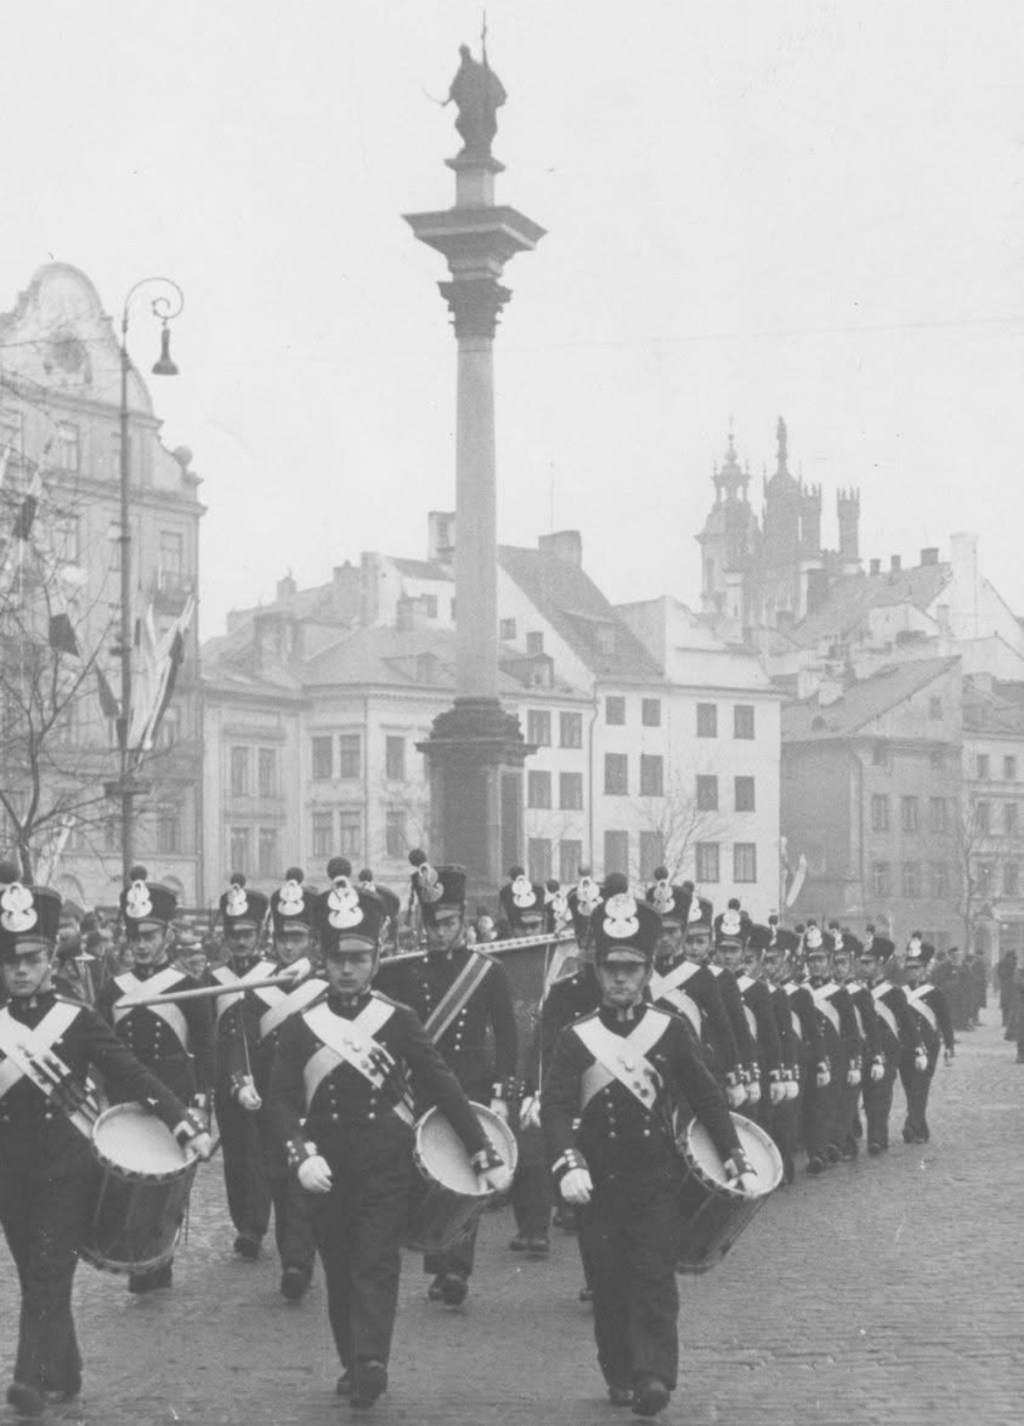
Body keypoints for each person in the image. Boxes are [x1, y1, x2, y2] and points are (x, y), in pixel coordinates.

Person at [267, 884, 511, 1410]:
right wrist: (301, 1153)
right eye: (338, 959)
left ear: (376, 961)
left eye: (358, 959)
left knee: (375, 1262)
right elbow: (281, 1100)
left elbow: (442, 1084)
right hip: (327, 1167)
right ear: (324, 961)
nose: (347, 970)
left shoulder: (397, 1019)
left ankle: (372, 1359)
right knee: (339, 1266)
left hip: (386, 1164)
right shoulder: (301, 1026)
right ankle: (353, 1359)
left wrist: (481, 1150)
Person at [542, 874, 756, 1418]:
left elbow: (706, 1096)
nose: (621, 978)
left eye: (632, 968)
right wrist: (567, 1160)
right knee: (609, 1282)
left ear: (645, 972)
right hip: (597, 1181)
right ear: (598, 971)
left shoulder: (670, 1029)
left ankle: (654, 1374)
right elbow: (556, 1107)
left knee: (654, 1278)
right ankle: (620, 1371)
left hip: (655, 1177)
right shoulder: (575, 1037)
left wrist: (732, 1152)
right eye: (612, 968)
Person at [0, 880, 213, 1416]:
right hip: (10, 1168)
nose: (20, 970)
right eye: (10, 961)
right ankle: (65, 1370)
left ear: (50, 959)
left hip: (66, 1165)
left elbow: (131, 1071)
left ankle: (29, 1379)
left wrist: (182, 1122)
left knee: (49, 1271)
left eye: (31, 959)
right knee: (34, 1273)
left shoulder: (76, 1018)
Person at [95, 868, 215, 1292]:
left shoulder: (189, 987)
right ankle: (138, 1258)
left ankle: (157, 1259)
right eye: (135, 937)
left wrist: (201, 1104)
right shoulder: (113, 990)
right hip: (126, 1099)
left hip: (173, 1097)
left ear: (168, 935)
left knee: (165, 1185)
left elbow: (205, 1051)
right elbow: (101, 1051)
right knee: (131, 1181)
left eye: (150, 936)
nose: (142, 945)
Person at [212, 868, 321, 1297]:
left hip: (314, 1095)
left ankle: (303, 1252)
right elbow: (236, 1040)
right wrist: (240, 1081)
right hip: (273, 1094)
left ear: (311, 939)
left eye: (297, 938)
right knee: (277, 1171)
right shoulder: (258, 989)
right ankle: (293, 1259)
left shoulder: (324, 983)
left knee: (307, 1174)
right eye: (283, 939)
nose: (289, 946)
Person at [645, 875, 746, 1107]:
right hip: (648, 1072)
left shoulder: (702, 976)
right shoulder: (642, 975)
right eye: (659, 932)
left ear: (683, 931)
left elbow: (722, 1029)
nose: (664, 938)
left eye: (672, 931)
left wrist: (734, 1077)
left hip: (693, 1073)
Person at [499, 868, 553, 1258]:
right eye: (522, 926)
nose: (529, 932)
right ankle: (524, 1225)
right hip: (508, 1064)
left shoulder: (556, 959)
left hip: (543, 1067)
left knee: (536, 1152)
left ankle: (538, 1229)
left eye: (535, 925)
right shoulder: (498, 962)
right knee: (515, 1149)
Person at [901, 938, 955, 1139]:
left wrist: (949, 1046)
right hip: (906, 1046)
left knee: (921, 1086)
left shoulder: (935, 993)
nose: (912, 971)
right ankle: (920, 1127)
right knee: (910, 1088)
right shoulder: (900, 993)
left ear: (924, 969)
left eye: (916, 968)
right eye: (909, 968)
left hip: (929, 1045)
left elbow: (945, 1020)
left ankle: (911, 1125)